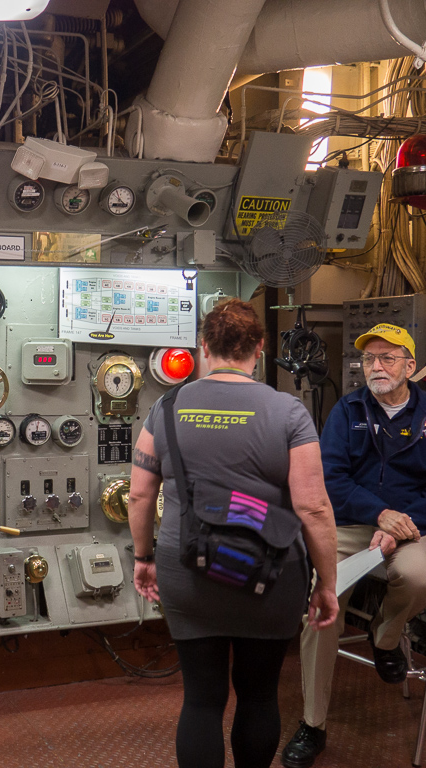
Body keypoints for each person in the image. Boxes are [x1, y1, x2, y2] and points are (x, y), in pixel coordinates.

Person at [128, 298, 339, 768]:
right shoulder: (288, 412)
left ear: (204, 347)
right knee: (259, 695)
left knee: (201, 699)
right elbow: (313, 506)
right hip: (271, 573)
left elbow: (140, 495)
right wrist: (327, 583)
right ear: (260, 349)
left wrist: (143, 558)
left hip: (187, 568)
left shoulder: (166, 407)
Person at [281, 323, 426, 768]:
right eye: (368, 359)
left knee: (419, 576)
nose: (376, 367)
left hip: (413, 526)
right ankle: (313, 722)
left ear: (409, 365)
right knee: (323, 606)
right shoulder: (348, 410)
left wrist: (402, 523)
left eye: (387, 358)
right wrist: (378, 515)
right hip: (351, 526)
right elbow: (331, 477)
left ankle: (386, 636)